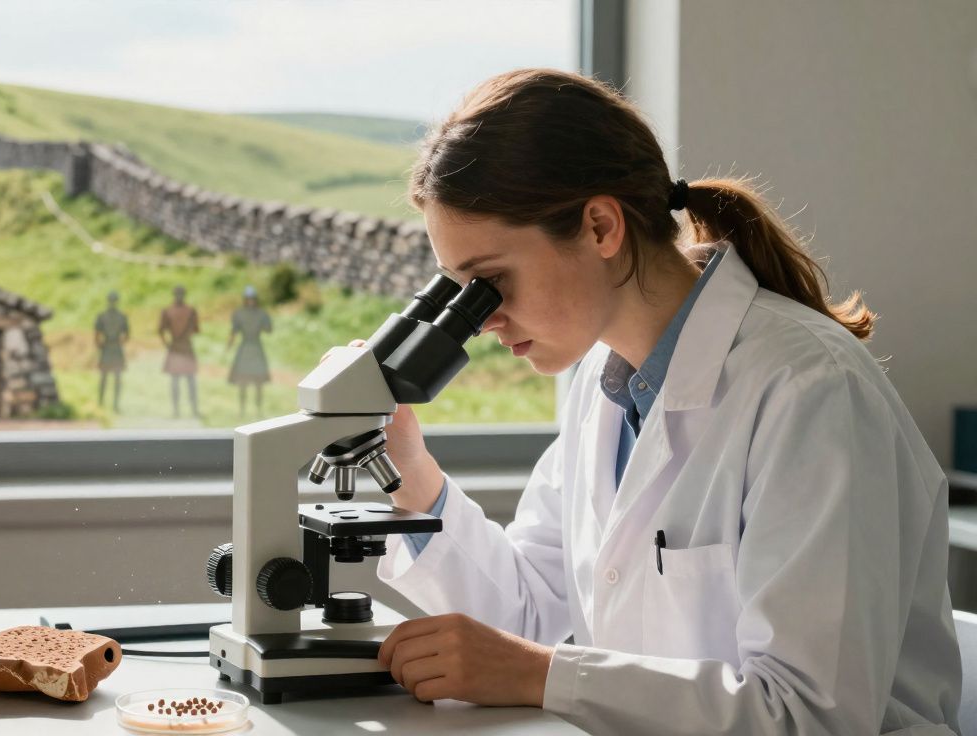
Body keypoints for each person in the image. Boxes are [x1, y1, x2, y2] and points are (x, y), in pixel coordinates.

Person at [368, 69, 959, 734]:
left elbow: (811, 716)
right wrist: (409, 470)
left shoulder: (810, 390)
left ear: (600, 226)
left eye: (491, 282)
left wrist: (544, 675)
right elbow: (529, 616)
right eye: (462, 292)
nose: (482, 322)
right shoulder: (605, 386)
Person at [226, 285, 272, 417]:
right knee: (242, 380)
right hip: (245, 348)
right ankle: (242, 410)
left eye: (252, 299)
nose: (251, 301)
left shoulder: (261, 313)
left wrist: (261, 324)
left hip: (256, 348)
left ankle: (259, 410)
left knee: (258, 381)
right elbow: (234, 331)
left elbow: (268, 329)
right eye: (248, 299)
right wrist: (229, 345)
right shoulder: (239, 313)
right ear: (245, 300)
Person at [159, 285, 200, 418]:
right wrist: (167, 344)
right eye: (178, 294)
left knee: (190, 380)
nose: (179, 296)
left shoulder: (190, 311)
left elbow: (195, 329)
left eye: (181, 294)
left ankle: (193, 410)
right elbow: (161, 330)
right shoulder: (168, 311)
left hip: (184, 347)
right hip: (177, 347)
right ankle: (176, 410)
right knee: (176, 381)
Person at [94, 290, 130, 411]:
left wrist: (119, 342)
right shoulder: (103, 316)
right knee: (104, 378)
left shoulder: (121, 317)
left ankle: (115, 404)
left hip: (114, 348)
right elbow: (97, 334)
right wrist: (100, 345)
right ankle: (101, 402)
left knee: (117, 378)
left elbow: (127, 334)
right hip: (108, 347)